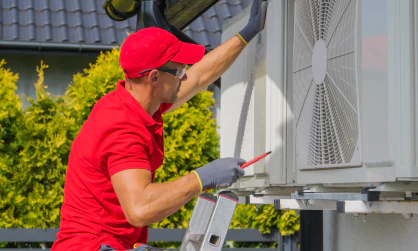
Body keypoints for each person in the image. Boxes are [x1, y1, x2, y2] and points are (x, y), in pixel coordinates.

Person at [51, 0, 268, 250]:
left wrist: (246, 34)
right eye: (177, 71)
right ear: (154, 77)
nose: (183, 76)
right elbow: (140, 209)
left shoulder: (136, 102)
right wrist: (201, 178)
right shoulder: (122, 128)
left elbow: (200, 76)